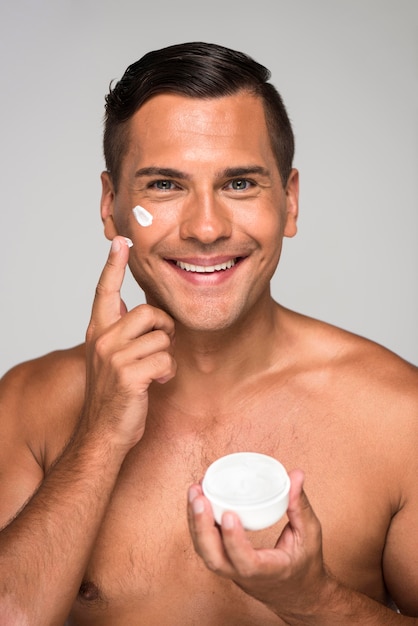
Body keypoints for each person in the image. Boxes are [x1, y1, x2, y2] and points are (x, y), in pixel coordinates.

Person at [0, 41, 417, 626]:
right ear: (110, 204)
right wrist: (96, 439)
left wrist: (315, 601)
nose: (205, 227)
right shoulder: (28, 404)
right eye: (165, 186)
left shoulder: (401, 416)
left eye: (240, 184)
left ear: (289, 202)